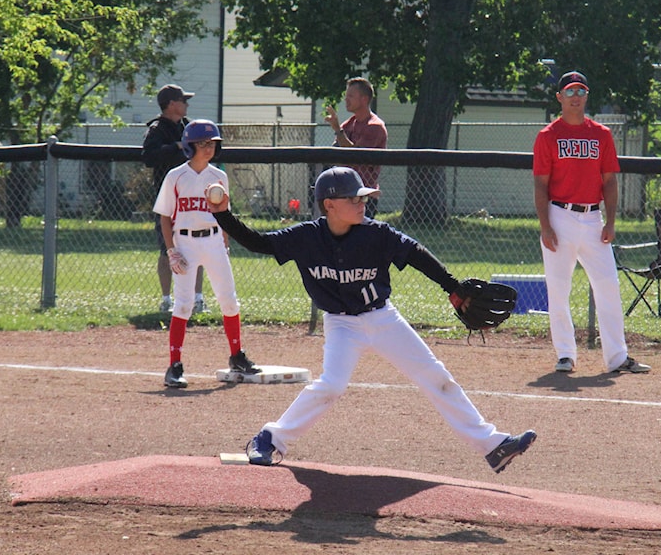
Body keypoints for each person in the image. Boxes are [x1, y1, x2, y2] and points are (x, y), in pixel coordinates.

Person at [207, 166, 536, 472]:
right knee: (332, 385)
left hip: (382, 318)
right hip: (341, 324)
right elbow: (257, 242)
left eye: (362, 197)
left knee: (437, 377)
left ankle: (493, 445)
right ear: (329, 204)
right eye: (353, 198)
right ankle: (270, 439)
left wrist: (451, 287)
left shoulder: (376, 234)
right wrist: (224, 216)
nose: (361, 203)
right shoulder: (306, 237)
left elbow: (415, 253)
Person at [532, 71, 651, 375]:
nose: (575, 96)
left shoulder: (601, 134)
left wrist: (610, 222)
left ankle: (616, 357)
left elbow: (609, 181)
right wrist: (546, 226)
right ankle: (565, 354)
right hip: (560, 215)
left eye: (581, 91)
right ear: (559, 97)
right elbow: (541, 186)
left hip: (593, 218)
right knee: (558, 288)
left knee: (608, 285)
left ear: (587, 96)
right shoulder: (548, 137)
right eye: (569, 91)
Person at [152, 119, 261, 388]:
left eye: (212, 143)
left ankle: (236, 356)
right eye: (202, 143)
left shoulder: (218, 176)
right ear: (190, 146)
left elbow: (224, 214)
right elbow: (165, 217)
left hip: (213, 241)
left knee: (229, 301)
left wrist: (224, 243)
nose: (208, 148)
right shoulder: (175, 176)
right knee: (184, 305)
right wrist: (171, 250)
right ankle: (174, 366)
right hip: (185, 243)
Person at [141, 84, 206, 314]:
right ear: (171, 104)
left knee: (198, 246)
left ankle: (197, 299)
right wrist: (175, 147)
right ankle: (166, 299)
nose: (187, 104)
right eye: (183, 100)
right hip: (168, 200)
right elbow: (149, 156)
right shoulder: (158, 129)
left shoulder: (189, 127)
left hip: (193, 197)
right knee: (167, 249)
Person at [324, 77, 388, 218]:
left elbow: (356, 156)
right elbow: (338, 149)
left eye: (351, 96)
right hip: (345, 193)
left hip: (364, 195)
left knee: (362, 237)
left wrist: (337, 129)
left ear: (364, 99)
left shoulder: (375, 126)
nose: (346, 100)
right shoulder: (350, 123)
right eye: (346, 96)